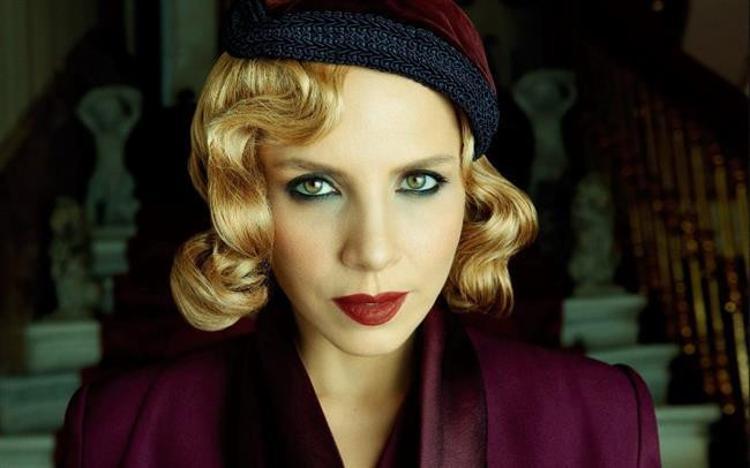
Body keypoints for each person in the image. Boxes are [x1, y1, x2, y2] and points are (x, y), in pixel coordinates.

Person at [60, 1, 662, 467]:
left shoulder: (602, 425)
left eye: (419, 182)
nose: (372, 251)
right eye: (316, 187)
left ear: (470, 190)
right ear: (250, 194)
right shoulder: (121, 434)